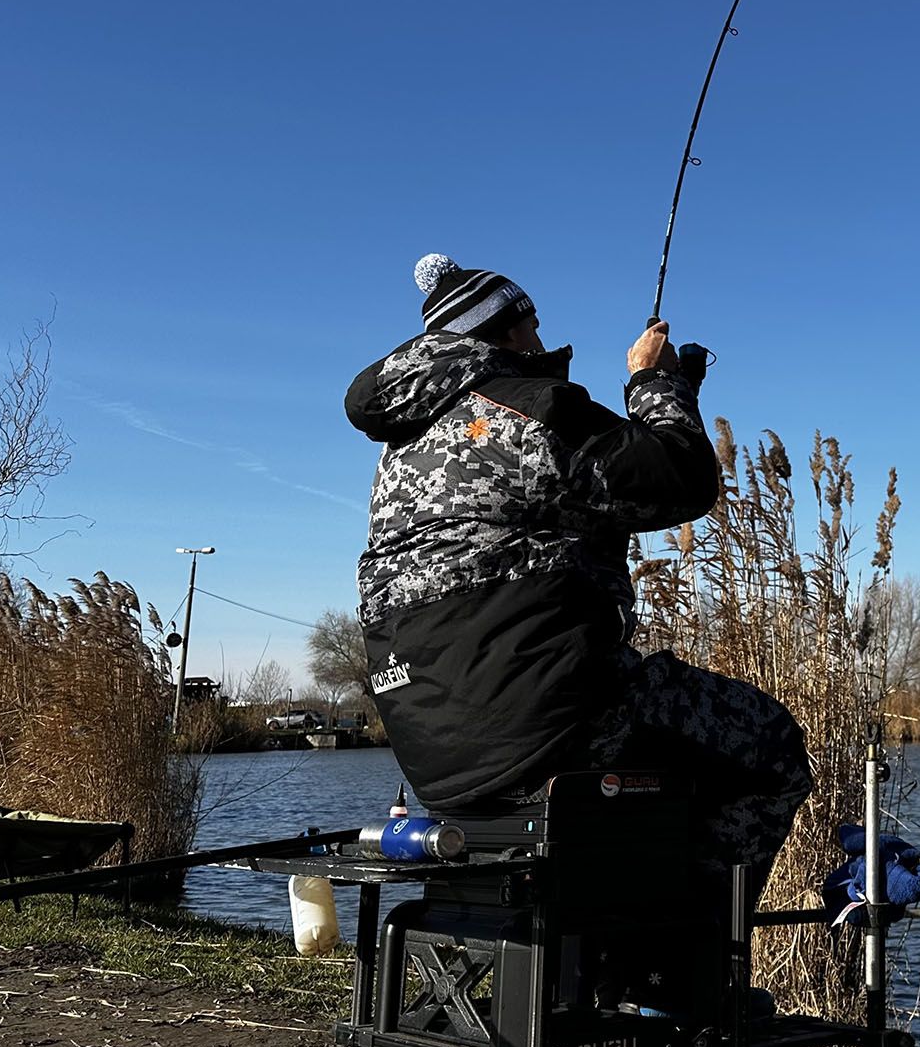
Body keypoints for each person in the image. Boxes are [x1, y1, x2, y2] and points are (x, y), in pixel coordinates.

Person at [345, 252, 812, 899]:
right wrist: (654, 383)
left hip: (434, 761)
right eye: (532, 322)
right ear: (504, 330)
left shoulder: (404, 447)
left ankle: (607, 947)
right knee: (770, 746)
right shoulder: (530, 408)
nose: (541, 338)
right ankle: (681, 977)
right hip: (545, 729)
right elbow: (679, 482)